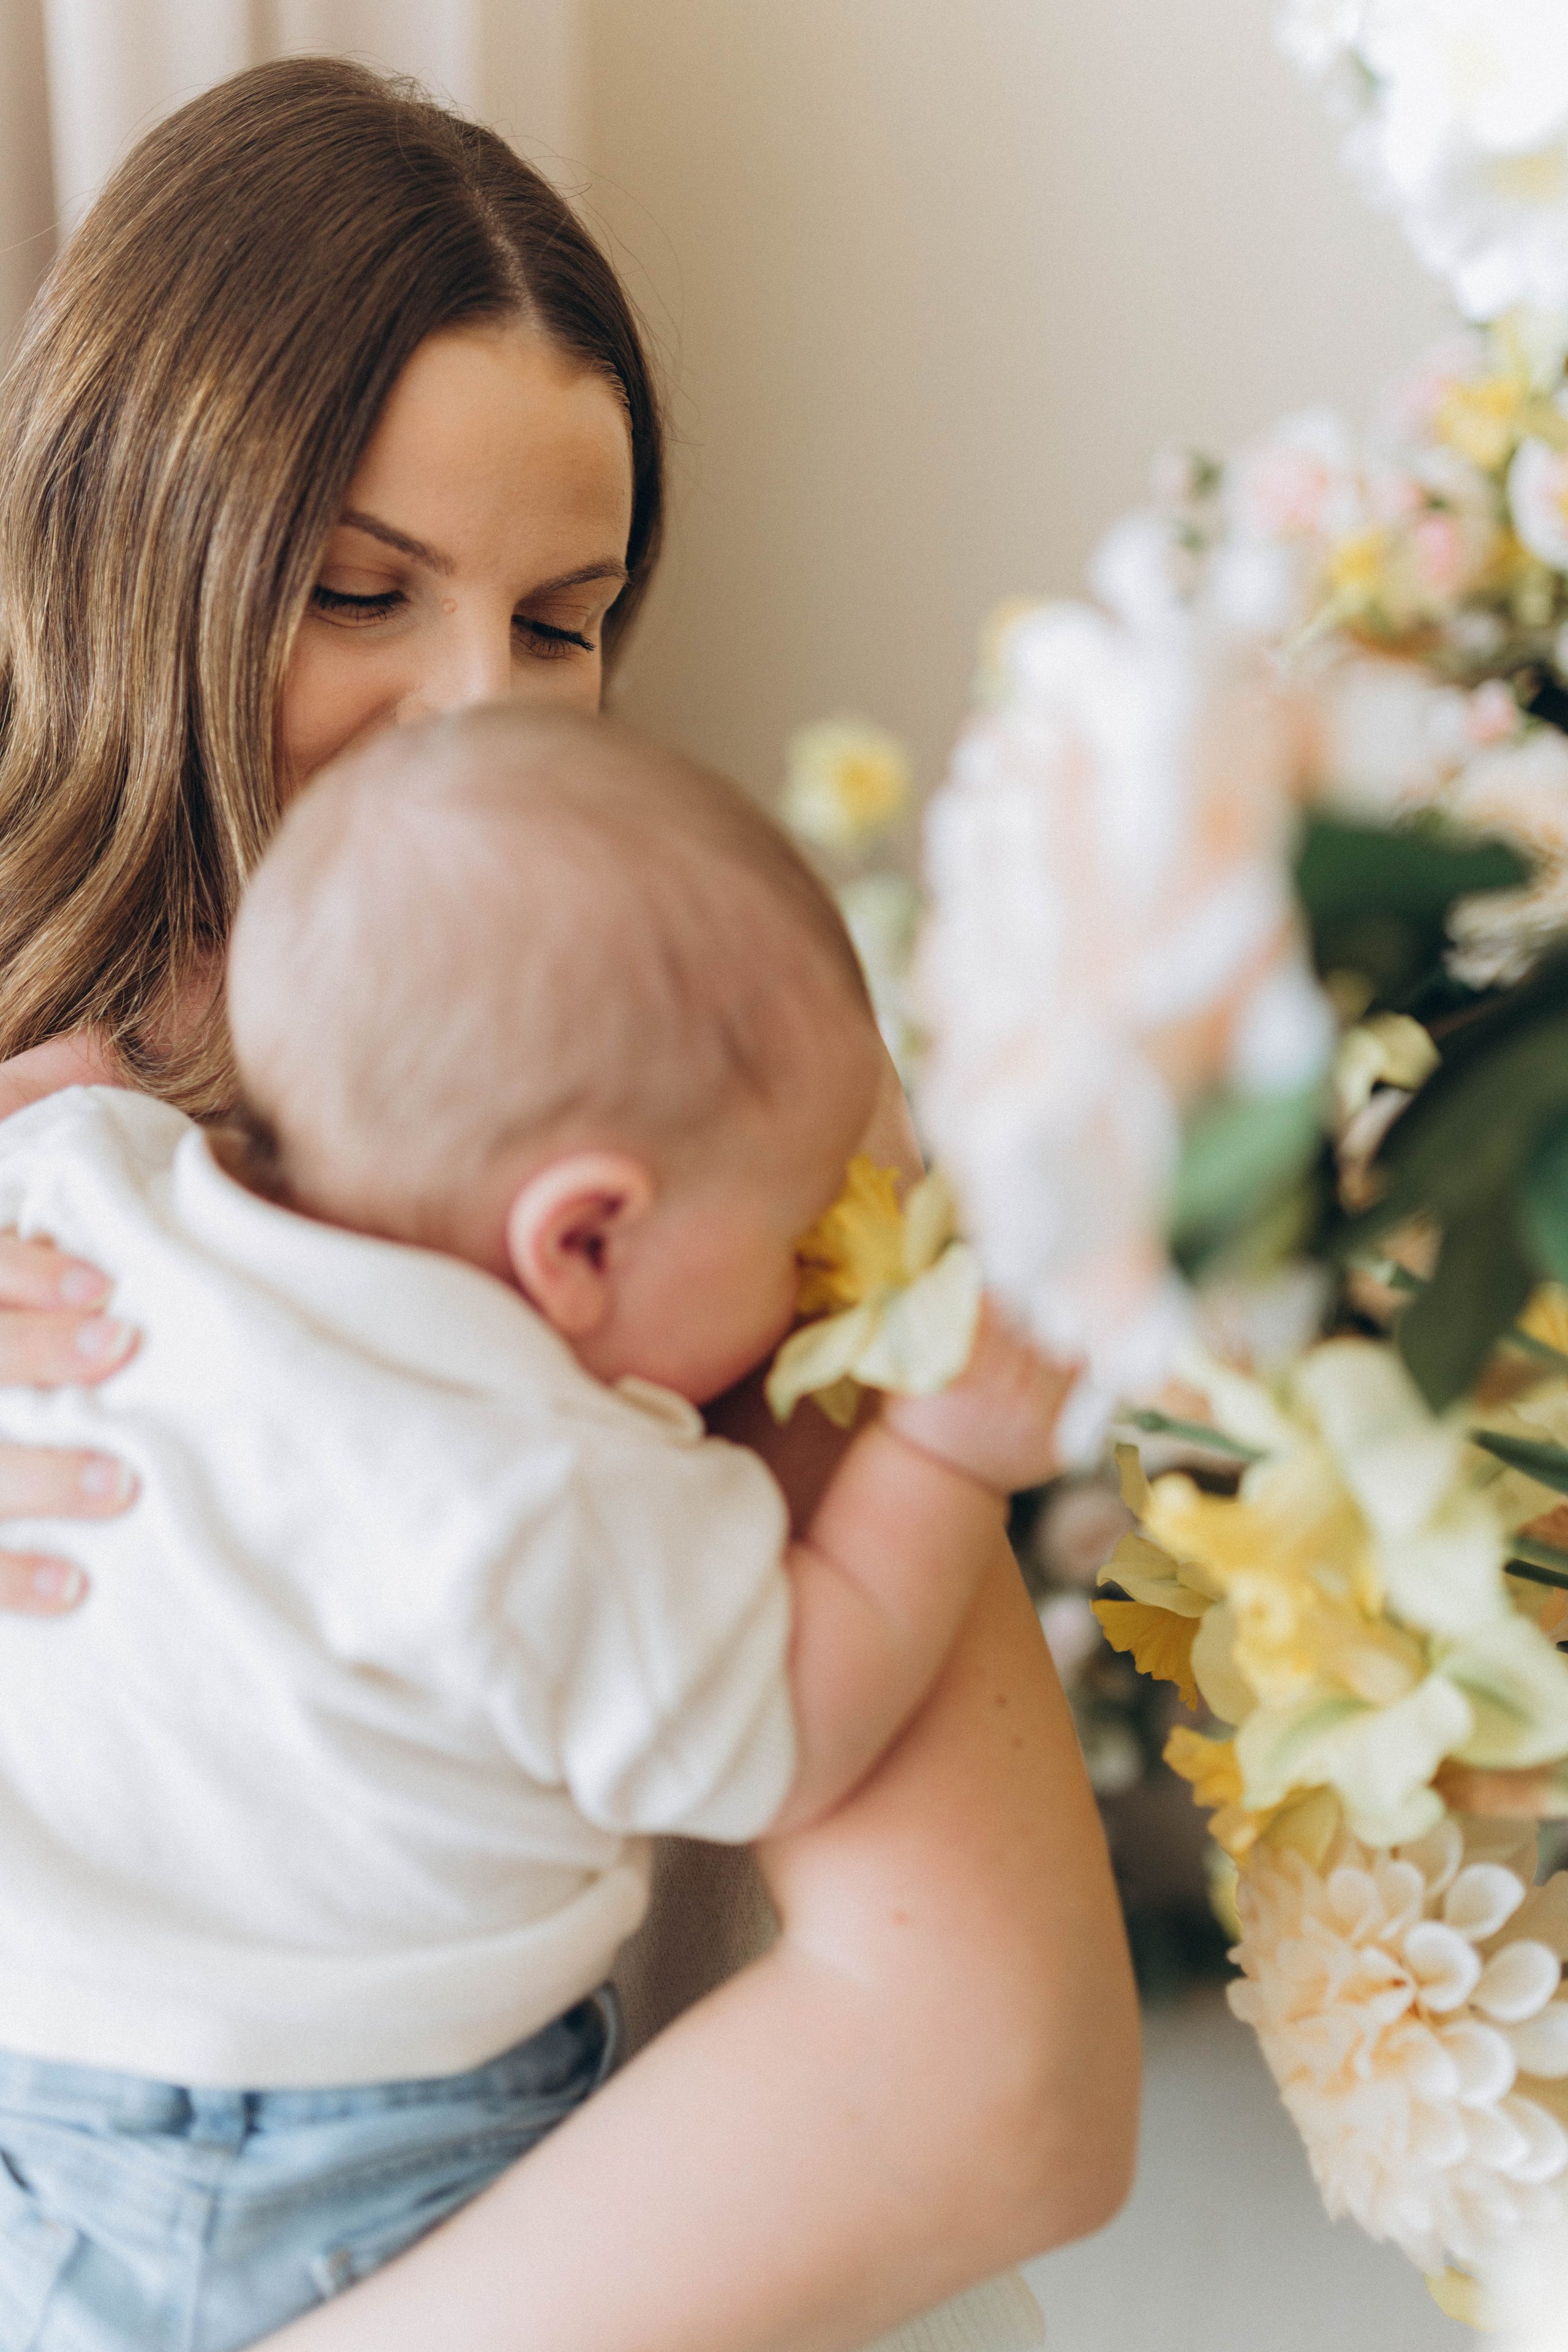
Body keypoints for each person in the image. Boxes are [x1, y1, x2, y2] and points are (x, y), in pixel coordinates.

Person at [0, 55, 1139, 2352]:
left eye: (557, 623)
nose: (472, 714)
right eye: (356, 594)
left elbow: (1001, 2082)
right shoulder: (63, 1112)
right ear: (126, 555)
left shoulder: (688, 1092)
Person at [0, 706, 1073, 2346]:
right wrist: (947, 1452)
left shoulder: (84, 1186)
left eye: (570, 618)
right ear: (582, 1240)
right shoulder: (534, 1492)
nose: (815, 1278)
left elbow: (53, 1098)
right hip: (348, 2181)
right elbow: (798, 1718)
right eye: (792, 1237)